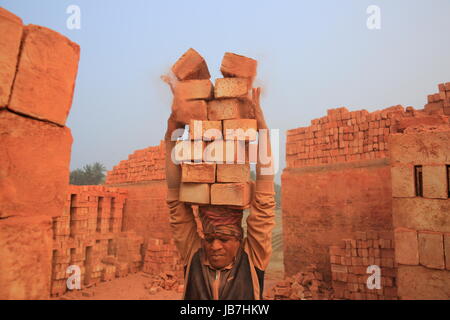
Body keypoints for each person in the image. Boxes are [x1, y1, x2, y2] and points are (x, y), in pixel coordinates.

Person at [164, 87, 275, 300]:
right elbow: (174, 198)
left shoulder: (252, 260)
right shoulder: (194, 255)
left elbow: (264, 198)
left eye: (224, 239)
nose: (214, 247)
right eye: (209, 238)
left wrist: (262, 130)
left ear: (239, 239)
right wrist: (171, 134)